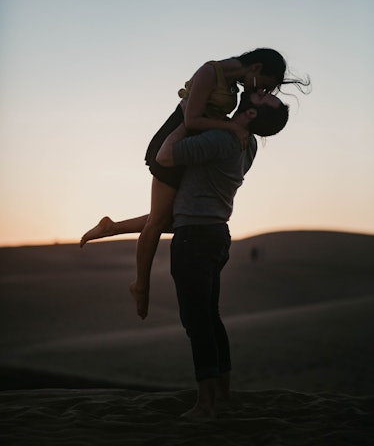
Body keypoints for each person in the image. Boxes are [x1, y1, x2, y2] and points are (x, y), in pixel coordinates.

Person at [80, 48, 309, 319]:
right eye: (267, 87)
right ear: (256, 68)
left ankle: (111, 227)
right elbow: (191, 119)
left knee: (175, 217)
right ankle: (141, 285)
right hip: (172, 143)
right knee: (159, 222)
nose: (265, 92)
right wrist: (232, 128)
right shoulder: (210, 71)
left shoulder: (234, 83)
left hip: (190, 144)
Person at [155, 91, 289, 420]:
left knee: (196, 322)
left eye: (263, 98)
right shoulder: (249, 143)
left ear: (252, 115)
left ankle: (206, 404)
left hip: (194, 237)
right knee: (210, 318)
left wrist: (187, 116)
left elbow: (166, 155)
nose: (261, 92)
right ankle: (224, 395)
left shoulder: (222, 141)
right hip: (216, 236)